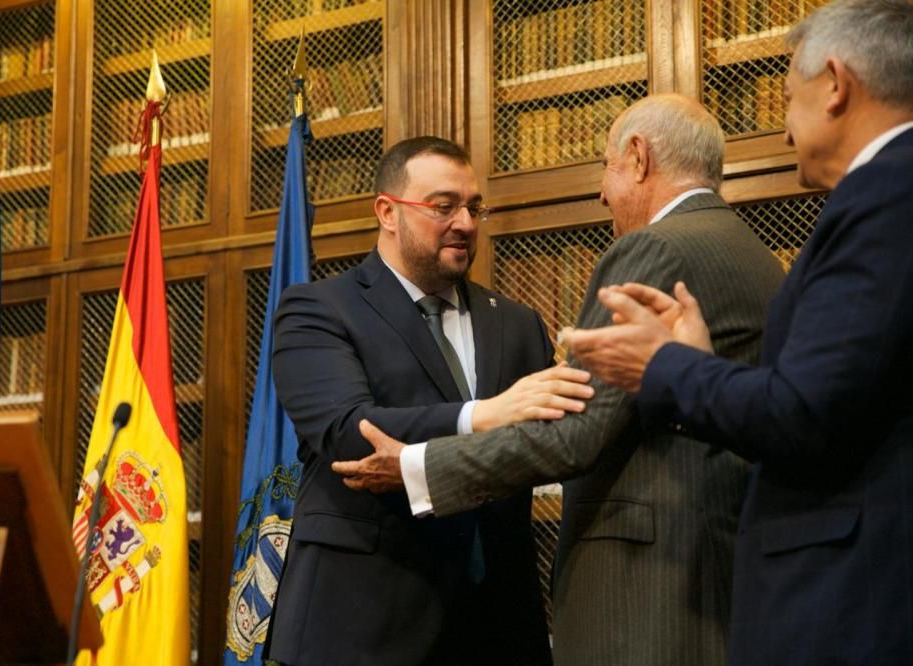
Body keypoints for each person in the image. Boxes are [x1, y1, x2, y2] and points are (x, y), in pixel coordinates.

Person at [333, 95, 785, 665]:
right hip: (727, 565)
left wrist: (419, 467)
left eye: (606, 166)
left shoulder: (653, 247)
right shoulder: (754, 253)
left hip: (651, 592)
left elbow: (575, 430)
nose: (601, 191)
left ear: (639, 158)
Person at [561, 1, 913, 664]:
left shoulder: (886, 196)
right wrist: (697, 360)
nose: (782, 132)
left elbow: (805, 417)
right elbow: (834, 398)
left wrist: (665, 365)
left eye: (786, 98)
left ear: (835, 84)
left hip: (854, 599)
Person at [265, 136, 592, 666]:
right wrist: (486, 413)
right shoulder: (317, 309)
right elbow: (350, 433)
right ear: (387, 212)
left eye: (474, 207)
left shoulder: (516, 322)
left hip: (499, 626)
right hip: (365, 621)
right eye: (443, 206)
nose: (465, 222)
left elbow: (546, 446)